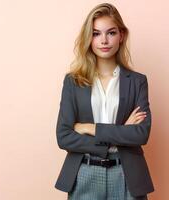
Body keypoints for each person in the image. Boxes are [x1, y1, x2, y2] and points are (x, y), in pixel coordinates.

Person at [54, 3, 154, 200]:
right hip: (84, 172)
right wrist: (120, 133)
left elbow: (141, 134)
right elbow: (64, 136)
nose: (104, 40)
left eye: (111, 32)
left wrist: (91, 128)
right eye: (96, 33)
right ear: (88, 38)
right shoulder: (73, 82)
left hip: (126, 174)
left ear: (121, 35)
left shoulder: (137, 81)